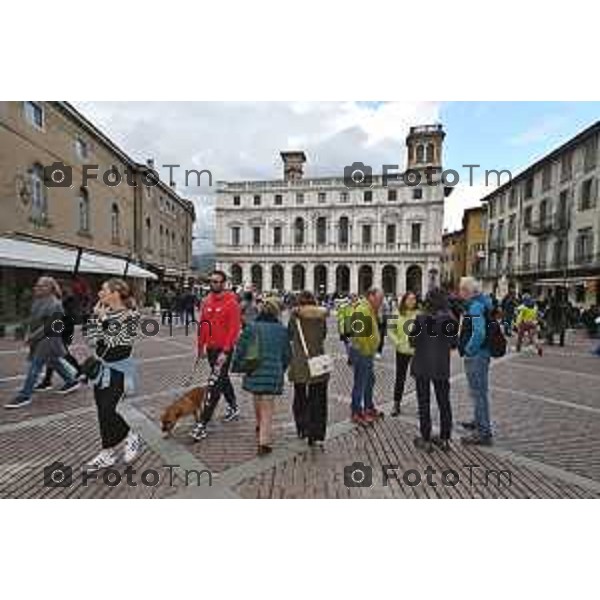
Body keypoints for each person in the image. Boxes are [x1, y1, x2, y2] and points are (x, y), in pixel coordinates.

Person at [84, 278, 141, 470]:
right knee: (102, 410)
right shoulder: (101, 312)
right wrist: (96, 318)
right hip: (101, 369)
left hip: (120, 369)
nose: (100, 293)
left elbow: (120, 342)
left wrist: (104, 320)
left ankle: (130, 434)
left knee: (110, 408)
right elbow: (92, 341)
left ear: (115, 293)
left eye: (103, 289)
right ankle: (107, 452)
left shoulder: (131, 315)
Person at [5, 277, 80, 409]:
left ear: (50, 288)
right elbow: (33, 319)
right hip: (39, 339)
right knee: (53, 362)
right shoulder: (37, 301)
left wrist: (32, 336)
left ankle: (24, 395)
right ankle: (71, 381)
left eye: (42, 286)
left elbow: (52, 326)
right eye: (37, 285)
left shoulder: (55, 304)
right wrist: (27, 332)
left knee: (35, 366)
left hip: (49, 339)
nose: (37, 288)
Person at [231, 297, 290, 455]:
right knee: (268, 406)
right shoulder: (282, 330)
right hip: (273, 372)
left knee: (257, 397)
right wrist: (281, 368)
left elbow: (240, 349)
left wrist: (238, 366)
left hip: (254, 370)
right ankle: (264, 440)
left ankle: (259, 424)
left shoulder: (251, 327)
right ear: (277, 313)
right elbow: (287, 354)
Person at [191, 270, 242, 441]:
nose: (214, 285)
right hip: (211, 349)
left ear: (224, 283)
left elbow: (233, 329)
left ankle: (202, 424)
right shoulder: (206, 302)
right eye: (211, 281)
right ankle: (233, 406)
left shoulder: (231, 302)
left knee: (214, 384)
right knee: (222, 378)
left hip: (223, 350)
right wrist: (200, 348)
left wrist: (226, 351)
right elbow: (203, 326)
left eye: (217, 282)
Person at [410, 289, 458, 452]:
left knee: (424, 403)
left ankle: (425, 438)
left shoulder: (421, 318)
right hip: (441, 365)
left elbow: (413, 341)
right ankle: (445, 438)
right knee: (444, 402)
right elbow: (453, 343)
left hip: (422, 364)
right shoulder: (450, 318)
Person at [288, 291, 329, 446]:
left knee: (299, 395)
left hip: (300, 360)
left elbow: (291, 334)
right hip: (317, 359)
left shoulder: (295, 316)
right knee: (318, 397)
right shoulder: (321, 317)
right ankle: (315, 432)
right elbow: (323, 335)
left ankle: (302, 427)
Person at [458, 276, 493, 446]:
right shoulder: (481, 303)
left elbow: (479, 333)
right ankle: (478, 421)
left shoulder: (476, 306)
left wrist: (469, 350)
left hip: (477, 355)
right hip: (482, 353)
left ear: (467, 291)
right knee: (478, 391)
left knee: (478, 392)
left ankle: (483, 431)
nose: (459, 293)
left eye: (461, 290)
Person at [35, 281, 81, 391]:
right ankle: (47, 380)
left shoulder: (68, 300)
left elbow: (71, 317)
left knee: (62, 354)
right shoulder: (56, 300)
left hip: (64, 330)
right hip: (57, 329)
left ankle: (79, 371)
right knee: (53, 355)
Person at [348, 288, 384, 425]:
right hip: (362, 352)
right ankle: (356, 412)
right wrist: (367, 349)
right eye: (379, 299)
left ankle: (368, 407)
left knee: (370, 380)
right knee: (361, 383)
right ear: (370, 296)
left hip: (367, 352)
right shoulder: (362, 310)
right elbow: (360, 335)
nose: (380, 302)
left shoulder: (369, 309)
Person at [388, 291, 419, 417]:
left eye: (414, 299)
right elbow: (390, 330)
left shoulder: (419, 314)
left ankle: (420, 404)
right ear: (404, 300)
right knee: (400, 378)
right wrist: (397, 342)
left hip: (416, 351)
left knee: (419, 379)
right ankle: (396, 404)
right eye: (409, 299)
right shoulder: (396, 313)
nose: (412, 301)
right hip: (401, 350)